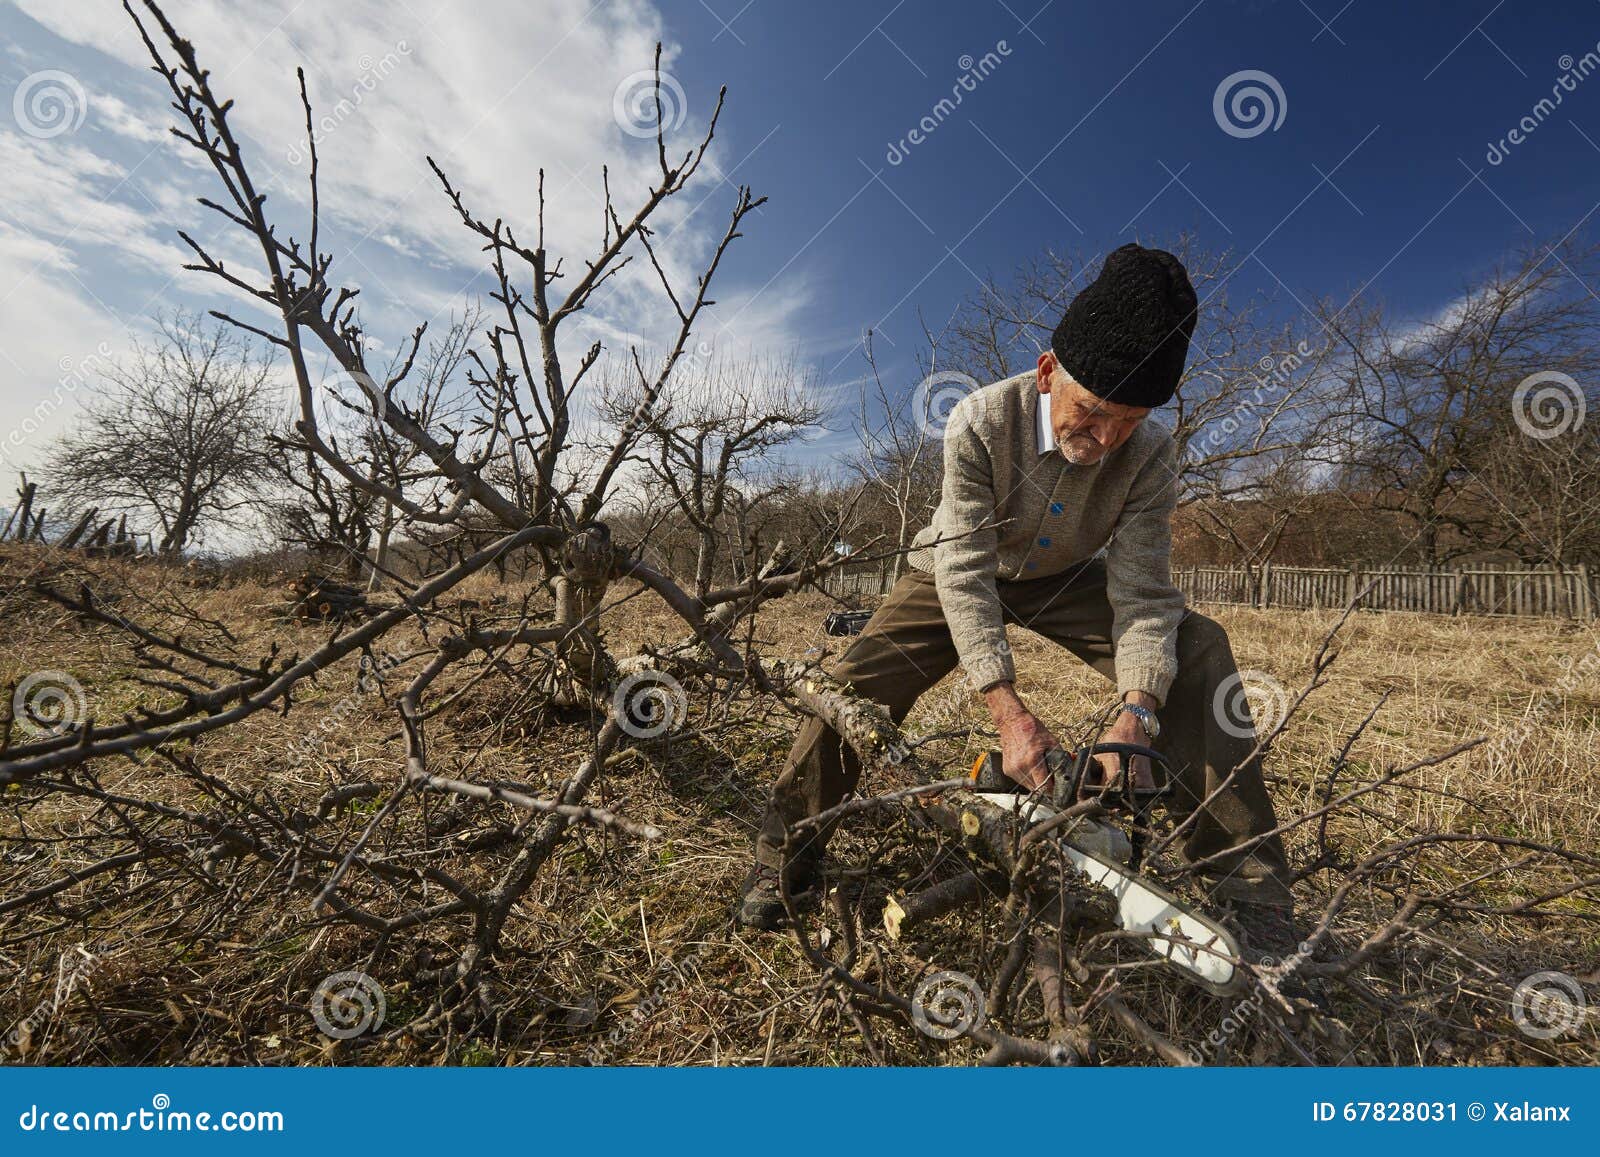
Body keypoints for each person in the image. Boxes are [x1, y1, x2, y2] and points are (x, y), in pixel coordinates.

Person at [736, 243, 1298, 956]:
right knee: (858, 681)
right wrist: (1008, 710)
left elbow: (1143, 591)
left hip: (1063, 579)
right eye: (1091, 413)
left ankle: (1252, 891)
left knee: (1198, 646)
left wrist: (1137, 711)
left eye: (1127, 422)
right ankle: (783, 855)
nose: (1104, 439)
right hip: (959, 567)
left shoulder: (1151, 456)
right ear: (1045, 374)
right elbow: (965, 568)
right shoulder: (978, 419)